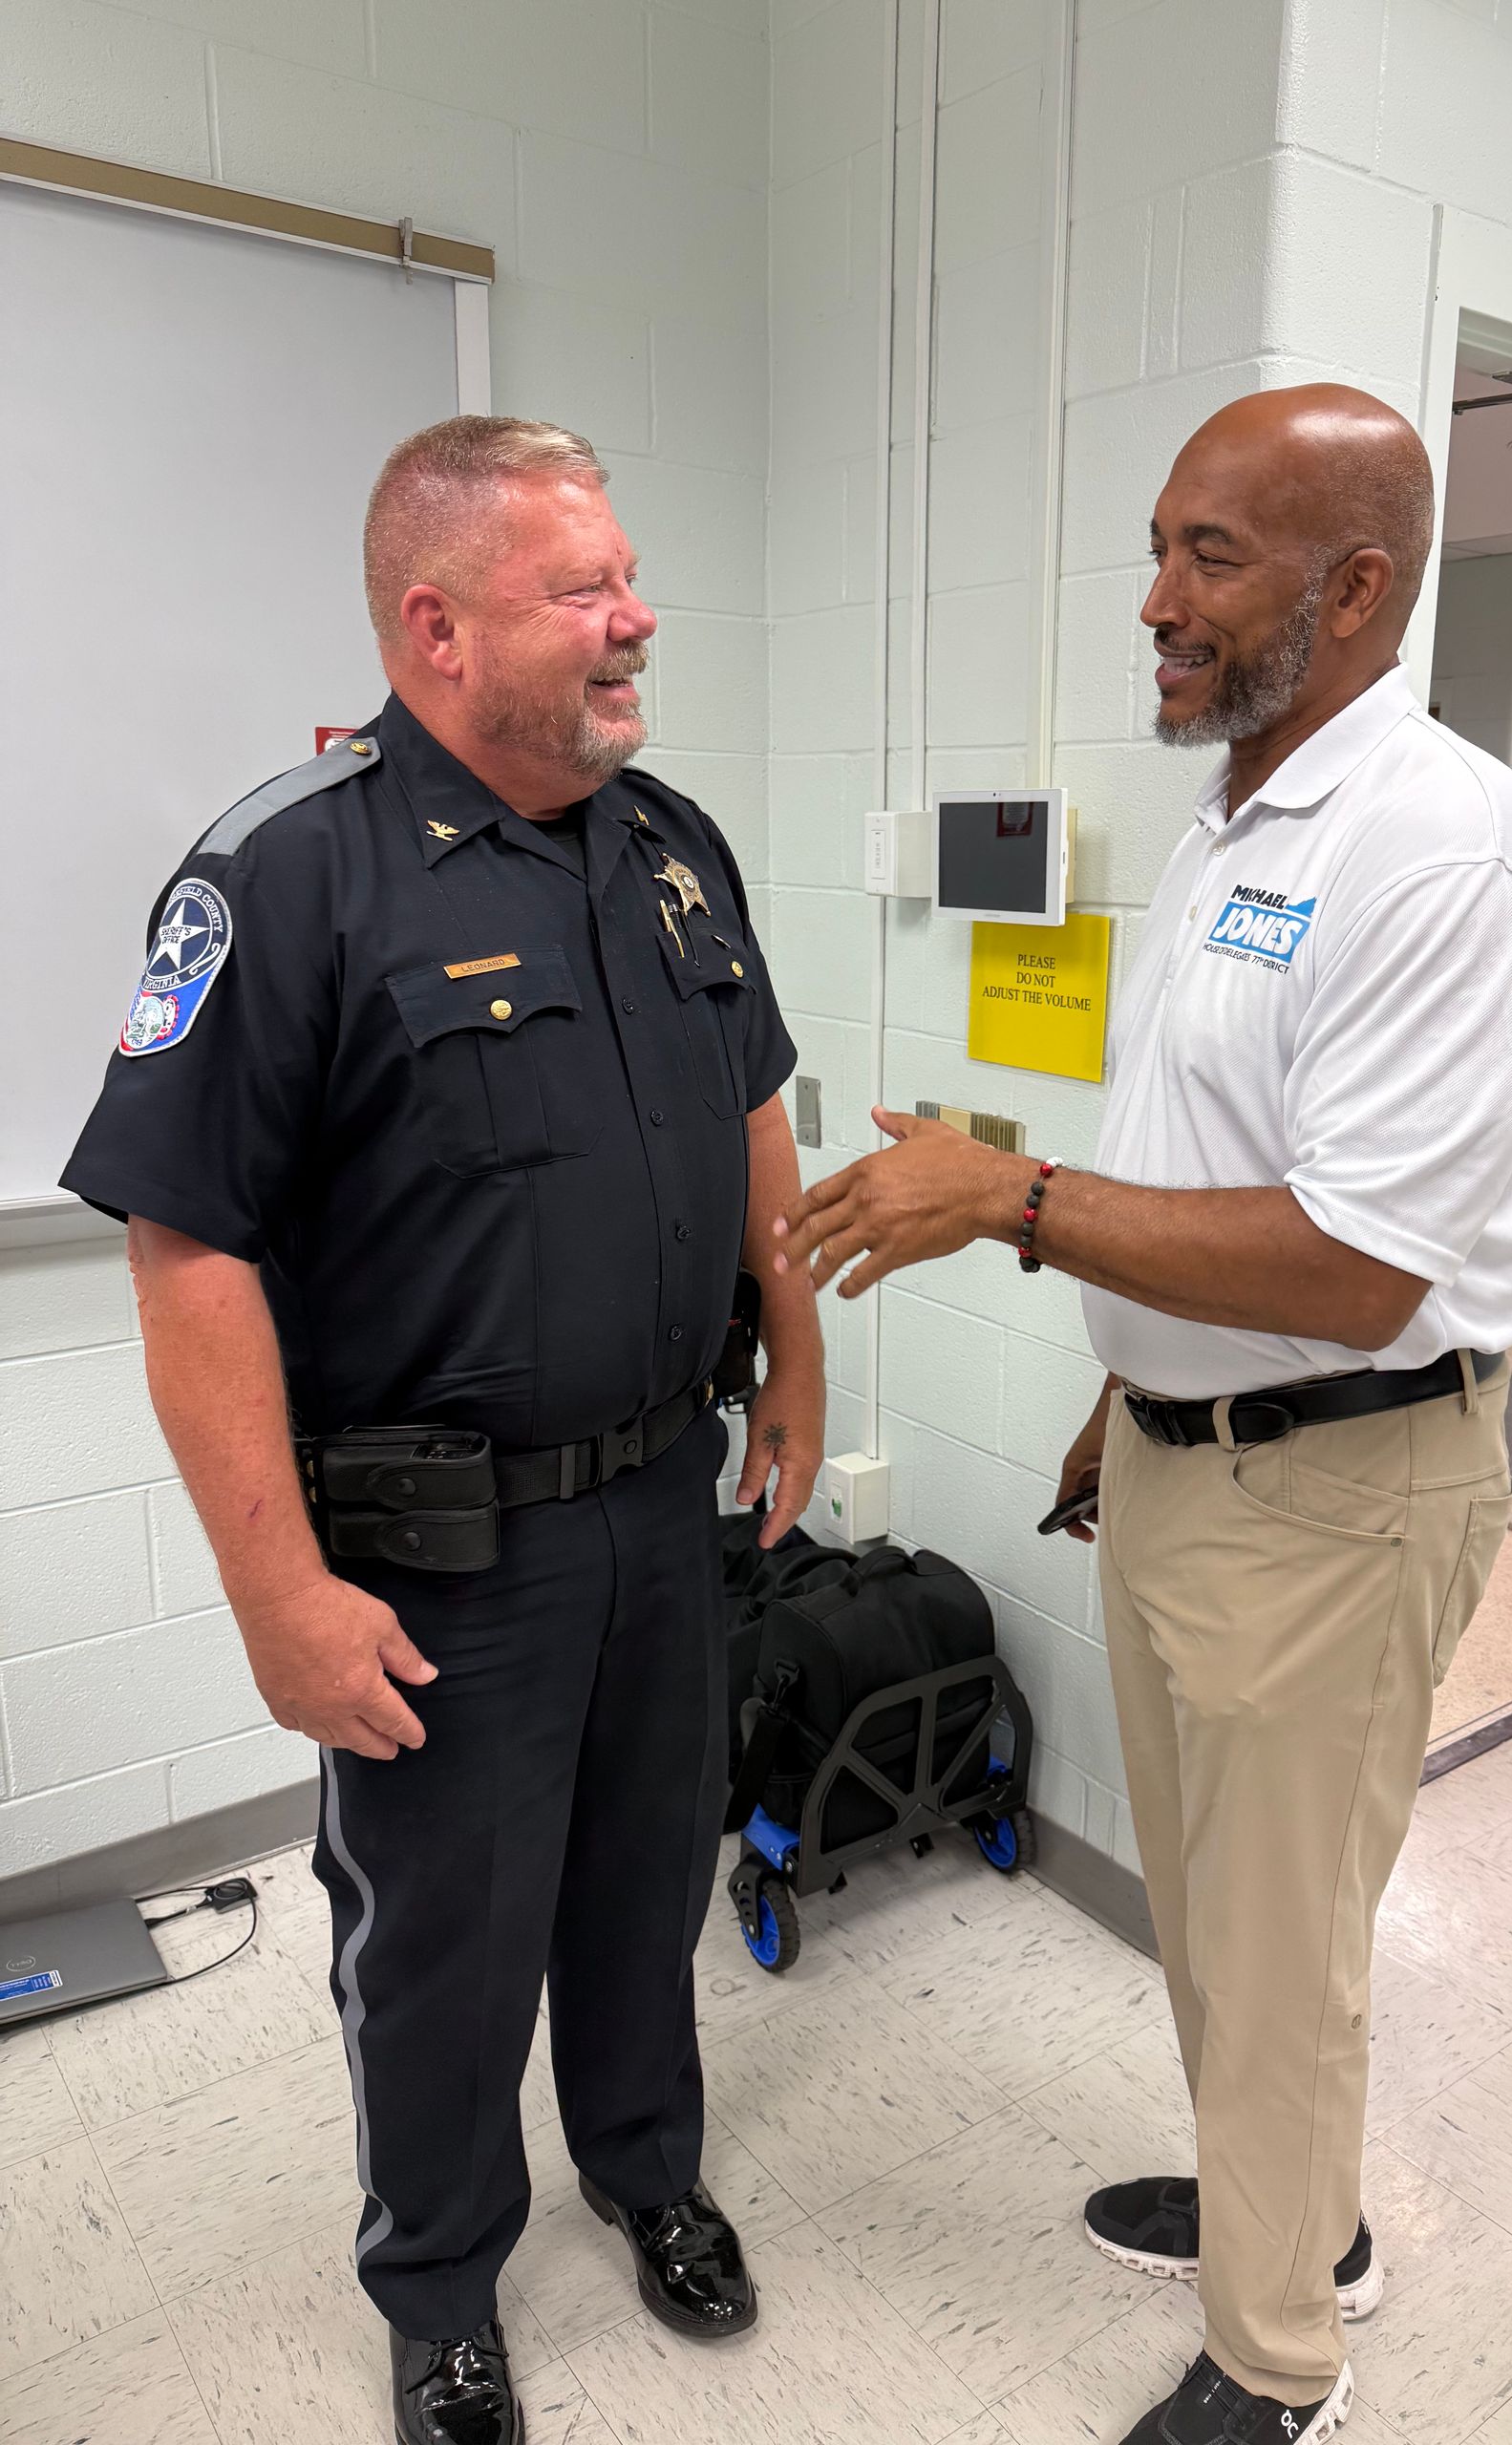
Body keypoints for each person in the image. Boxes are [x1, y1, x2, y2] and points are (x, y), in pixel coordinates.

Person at [774, 384, 1512, 2445]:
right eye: (1161, 545)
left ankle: (1275, 2353)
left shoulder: (1444, 847)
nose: (1156, 598)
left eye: (1210, 555)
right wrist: (1127, 1394)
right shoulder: (1249, 813)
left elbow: (1356, 1264)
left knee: (1280, 1935)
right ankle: (1287, 2216)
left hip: (1341, 1485)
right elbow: (1224, 1165)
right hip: (1197, 1459)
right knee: (1227, 1918)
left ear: (1357, 583)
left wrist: (1018, 1199)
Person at [63, 416, 823, 2445]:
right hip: (440, 1550)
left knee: (648, 1879)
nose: (634, 612)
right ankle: (440, 2282)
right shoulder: (286, 874)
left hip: (668, 1494)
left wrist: (802, 1354)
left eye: (626, 570)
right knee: (444, 1946)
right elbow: (187, 1253)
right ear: (441, 623)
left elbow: (757, 1097)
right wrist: (275, 1592)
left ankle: (649, 2169)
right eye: (585, 587)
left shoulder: (672, 840)